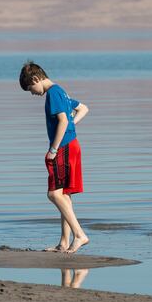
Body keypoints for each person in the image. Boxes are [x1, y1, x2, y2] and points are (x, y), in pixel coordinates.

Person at [19, 61, 90, 253]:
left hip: (64, 147)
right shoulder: (61, 92)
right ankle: (64, 242)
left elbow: (63, 120)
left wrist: (53, 149)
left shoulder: (53, 93)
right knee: (63, 194)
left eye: (30, 88)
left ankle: (80, 235)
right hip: (71, 145)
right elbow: (83, 108)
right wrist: (71, 127)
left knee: (54, 194)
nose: (32, 93)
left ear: (36, 79)